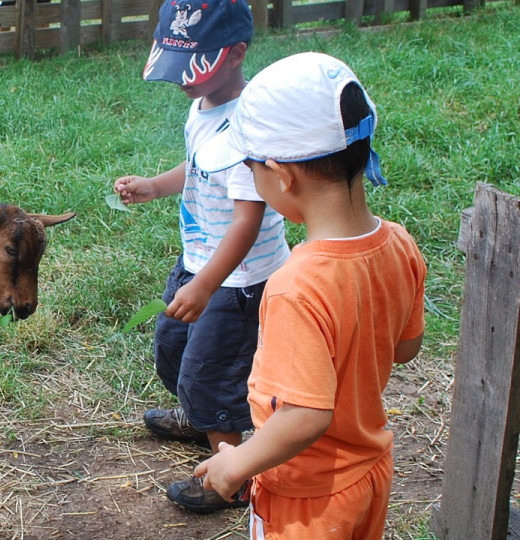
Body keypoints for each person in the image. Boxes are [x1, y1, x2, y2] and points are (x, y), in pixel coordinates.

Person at [191, 52, 427, 538]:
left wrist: (235, 466)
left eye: (250, 168)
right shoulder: (401, 243)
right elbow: (405, 349)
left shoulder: (295, 285)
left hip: (307, 497)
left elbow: (304, 416)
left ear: (282, 176)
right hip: (370, 470)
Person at [113, 0, 290, 514]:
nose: (180, 80)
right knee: (172, 348)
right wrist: (154, 186)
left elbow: (247, 221)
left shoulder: (249, 129)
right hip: (200, 263)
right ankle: (201, 417)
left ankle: (231, 476)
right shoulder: (203, 107)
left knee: (210, 374)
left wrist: (206, 285)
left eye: (192, 65)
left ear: (236, 53)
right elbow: (195, 168)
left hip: (237, 282)